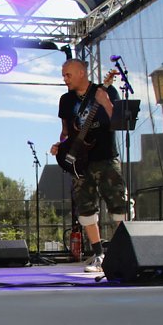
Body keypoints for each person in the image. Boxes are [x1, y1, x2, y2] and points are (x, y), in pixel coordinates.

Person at [50, 58, 128, 273]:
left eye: (68, 75)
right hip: (81, 162)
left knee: (118, 203)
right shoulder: (66, 100)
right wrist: (61, 146)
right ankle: (98, 254)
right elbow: (66, 132)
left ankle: (123, 252)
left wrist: (105, 103)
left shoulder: (106, 91)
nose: (65, 79)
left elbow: (120, 122)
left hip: (106, 156)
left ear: (81, 73)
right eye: (64, 75)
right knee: (85, 207)